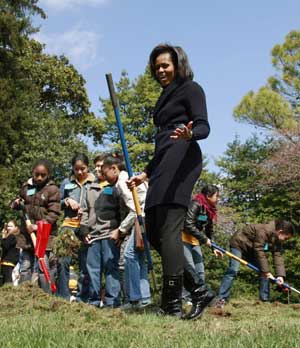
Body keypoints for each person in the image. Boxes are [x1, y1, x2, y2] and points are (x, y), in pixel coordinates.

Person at [128, 43, 210, 318]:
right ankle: (199, 291)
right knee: (152, 230)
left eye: (165, 65)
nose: (160, 70)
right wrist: (146, 173)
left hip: (183, 157)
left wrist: (190, 135)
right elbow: (161, 144)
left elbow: (203, 125)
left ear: (177, 64)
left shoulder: (191, 89)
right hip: (164, 161)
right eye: (157, 66)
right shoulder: (164, 96)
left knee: (170, 229)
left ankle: (171, 304)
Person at [80, 154, 126, 308]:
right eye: (97, 166)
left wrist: (120, 232)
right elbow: (84, 211)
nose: (99, 169)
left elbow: (122, 210)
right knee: (92, 270)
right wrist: (84, 229)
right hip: (92, 236)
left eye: (101, 166)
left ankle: (112, 302)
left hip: (109, 234)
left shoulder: (115, 186)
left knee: (111, 267)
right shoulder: (89, 187)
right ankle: (93, 301)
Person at [215, 220, 295, 308]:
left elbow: (277, 256)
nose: (285, 241)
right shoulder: (264, 230)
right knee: (233, 270)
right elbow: (259, 250)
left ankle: (264, 301)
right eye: (286, 238)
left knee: (264, 273)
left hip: (251, 250)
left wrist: (280, 276)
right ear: (280, 232)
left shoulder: (278, 240)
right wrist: (266, 271)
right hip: (238, 245)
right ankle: (221, 298)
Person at [11, 159, 60, 292]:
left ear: (48, 174)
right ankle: (23, 295)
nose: (39, 178)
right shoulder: (26, 187)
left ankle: (46, 296)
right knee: (25, 266)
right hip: (26, 236)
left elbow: (54, 213)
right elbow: (18, 201)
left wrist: (38, 226)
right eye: (36, 174)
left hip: (44, 235)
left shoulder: (52, 189)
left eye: (42, 175)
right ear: (32, 172)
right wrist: (15, 203)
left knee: (43, 266)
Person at [57, 153, 95, 301]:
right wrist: (66, 201)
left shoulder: (95, 181)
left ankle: (82, 297)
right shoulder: (66, 182)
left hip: (87, 225)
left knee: (85, 263)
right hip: (68, 225)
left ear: (88, 167)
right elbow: (57, 202)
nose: (79, 172)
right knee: (62, 260)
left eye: (82, 169)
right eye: (76, 169)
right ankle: (63, 296)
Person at [182, 184, 222, 319]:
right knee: (189, 269)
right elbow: (188, 225)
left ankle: (200, 298)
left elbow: (209, 231)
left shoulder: (210, 210)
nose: (218, 199)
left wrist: (213, 247)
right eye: (217, 196)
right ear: (208, 195)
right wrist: (205, 239)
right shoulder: (195, 204)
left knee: (200, 270)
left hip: (195, 241)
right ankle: (186, 299)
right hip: (183, 239)